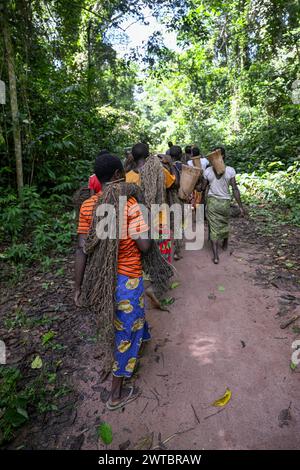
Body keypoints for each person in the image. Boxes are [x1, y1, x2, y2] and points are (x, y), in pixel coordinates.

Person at [75, 153, 173, 410]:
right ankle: (117, 391)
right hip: (127, 281)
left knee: (127, 320)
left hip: (101, 283)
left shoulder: (87, 206)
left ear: (98, 179)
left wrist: (78, 287)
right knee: (126, 331)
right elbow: (144, 245)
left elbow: (82, 248)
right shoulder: (130, 206)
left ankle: (145, 335)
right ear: (119, 176)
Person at [126, 143, 177, 264]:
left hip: (139, 224)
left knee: (143, 256)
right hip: (160, 221)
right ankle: (162, 276)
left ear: (132, 157)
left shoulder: (127, 177)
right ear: (148, 155)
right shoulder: (160, 171)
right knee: (162, 255)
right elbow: (174, 184)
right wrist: (171, 164)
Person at [202, 146, 245, 264]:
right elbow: (235, 189)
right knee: (224, 223)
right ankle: (225, 242)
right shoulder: (230, 170)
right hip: (225, 203)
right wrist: (240, 206)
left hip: (212, 203)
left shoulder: (207, 171)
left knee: (213, 228)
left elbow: (202, 188)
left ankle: (216, 256)